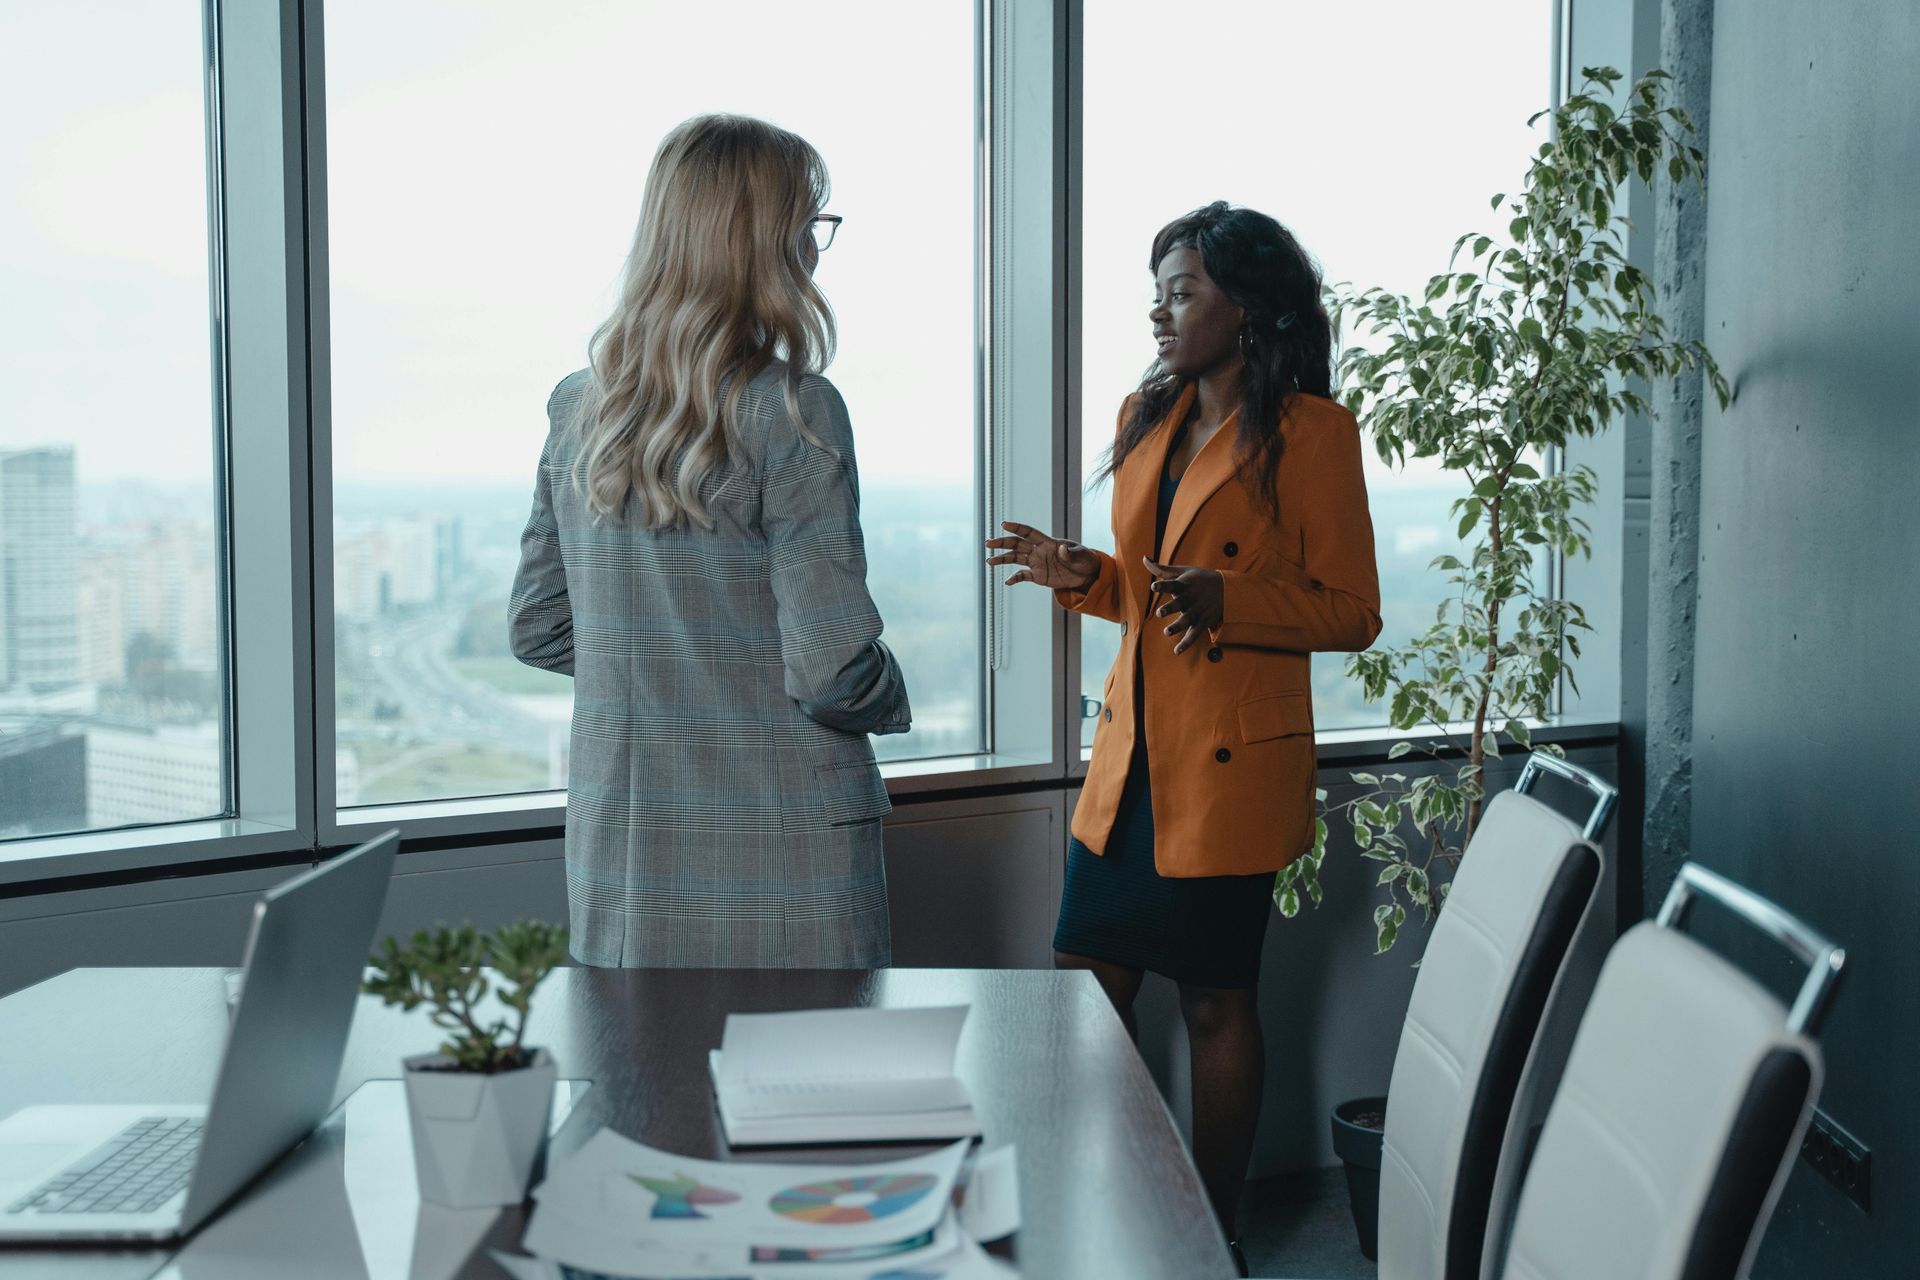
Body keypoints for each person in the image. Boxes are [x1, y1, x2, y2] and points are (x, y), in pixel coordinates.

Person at [988, 201, 1380, 1271]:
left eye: (1184, 289)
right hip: (1130, 759)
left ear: (1247, 305)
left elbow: (1351, 611)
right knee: (1081, 1002)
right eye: (1157, 288)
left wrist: (1234, 597)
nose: (1158, 309)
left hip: (1226, 768)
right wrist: (1089, 577)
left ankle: (1211, 1235)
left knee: (1216, 1002)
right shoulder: (1143, 417)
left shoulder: (1313, 433)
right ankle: (1093, 1210)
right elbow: (1153, 595)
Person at [509, 114, 910, 969]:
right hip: (792, 858)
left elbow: (539, 627)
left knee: (647, 1090)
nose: (814, 247)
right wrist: (893, 694)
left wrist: (669, 664)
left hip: (627, 858)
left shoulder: (578, 408)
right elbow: (833, 671)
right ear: (762, 241)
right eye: (809, 223)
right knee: (804, 1097)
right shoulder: (793, 411)